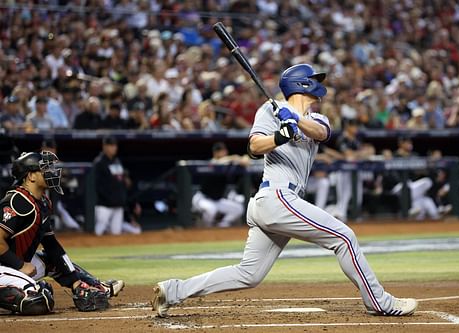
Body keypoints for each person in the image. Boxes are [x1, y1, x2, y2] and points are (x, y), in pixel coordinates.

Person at [152, 63, 417, 317]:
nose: (319, 85)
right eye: (314, 80)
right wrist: (280, 136)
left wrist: (295, 120)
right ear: (301, 83)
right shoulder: (270, 110)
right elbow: (254, 148)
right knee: (344, 238)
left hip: (279, 202)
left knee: (248, 274)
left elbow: (322, 133)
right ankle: (379, 302)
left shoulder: (315, 117)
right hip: (276, 196)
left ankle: (174, 290)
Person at [0, 151, 124, 315]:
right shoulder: (17, 200)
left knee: (52, 260)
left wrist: (75, 282)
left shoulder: (43, 202)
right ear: (31, 176)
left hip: (15, 266)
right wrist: (20, 265)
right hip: (6, 267)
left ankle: (94, 287)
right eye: (44, 168)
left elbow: (53, 247)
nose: (51, 172)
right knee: (39, 300)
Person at [191, 142, 247, 228]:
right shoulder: (211, 162)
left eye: (224, 151)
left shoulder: (227, 163)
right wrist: (234, 157)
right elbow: (219, 162)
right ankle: (206, 230)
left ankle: (222, 226)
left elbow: (245, 161)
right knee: (211, 210)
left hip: (217, 200)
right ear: (215, 153)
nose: (224, 153)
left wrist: (242, 158)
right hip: (202, 199)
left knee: (238, 209)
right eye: (221, 151)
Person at [93, 136, 128, 235]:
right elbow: (96, 185)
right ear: (104, 147)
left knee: (116, 234)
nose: (114, 148)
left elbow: (121, 180)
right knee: (98, 233)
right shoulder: (99, 162)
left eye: (115, 145)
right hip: (104, 205)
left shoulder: (117, 161)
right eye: (111, 145)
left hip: (118, 204)